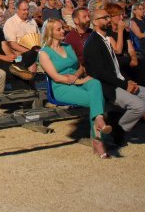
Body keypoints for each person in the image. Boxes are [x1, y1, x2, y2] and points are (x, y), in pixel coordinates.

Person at [37, 19, 112, 158]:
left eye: (63, 28)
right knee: (94, 99)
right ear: (50, 32)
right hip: (61, 87)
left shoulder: (68, 47)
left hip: (77, 80)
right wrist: (79, 80)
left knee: (95, 83)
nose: (63, 31)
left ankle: (99, 122)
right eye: (59, 29)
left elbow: (80, 68)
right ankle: (99, 138)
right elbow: (56, 77)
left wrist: (78, 77)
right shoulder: (44, 53)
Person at [83, 9, 145, 145]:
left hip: (118, 81)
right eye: (104, 17)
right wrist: (124, 85)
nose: (108, 19)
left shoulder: (105, 39)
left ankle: (118, 123)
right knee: (139, 106)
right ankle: (119, 129)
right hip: (107, 86)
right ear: (94, 22)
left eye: (108, 16)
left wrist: (127, 80)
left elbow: (115, 67)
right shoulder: (93, 43)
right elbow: (101, 73)